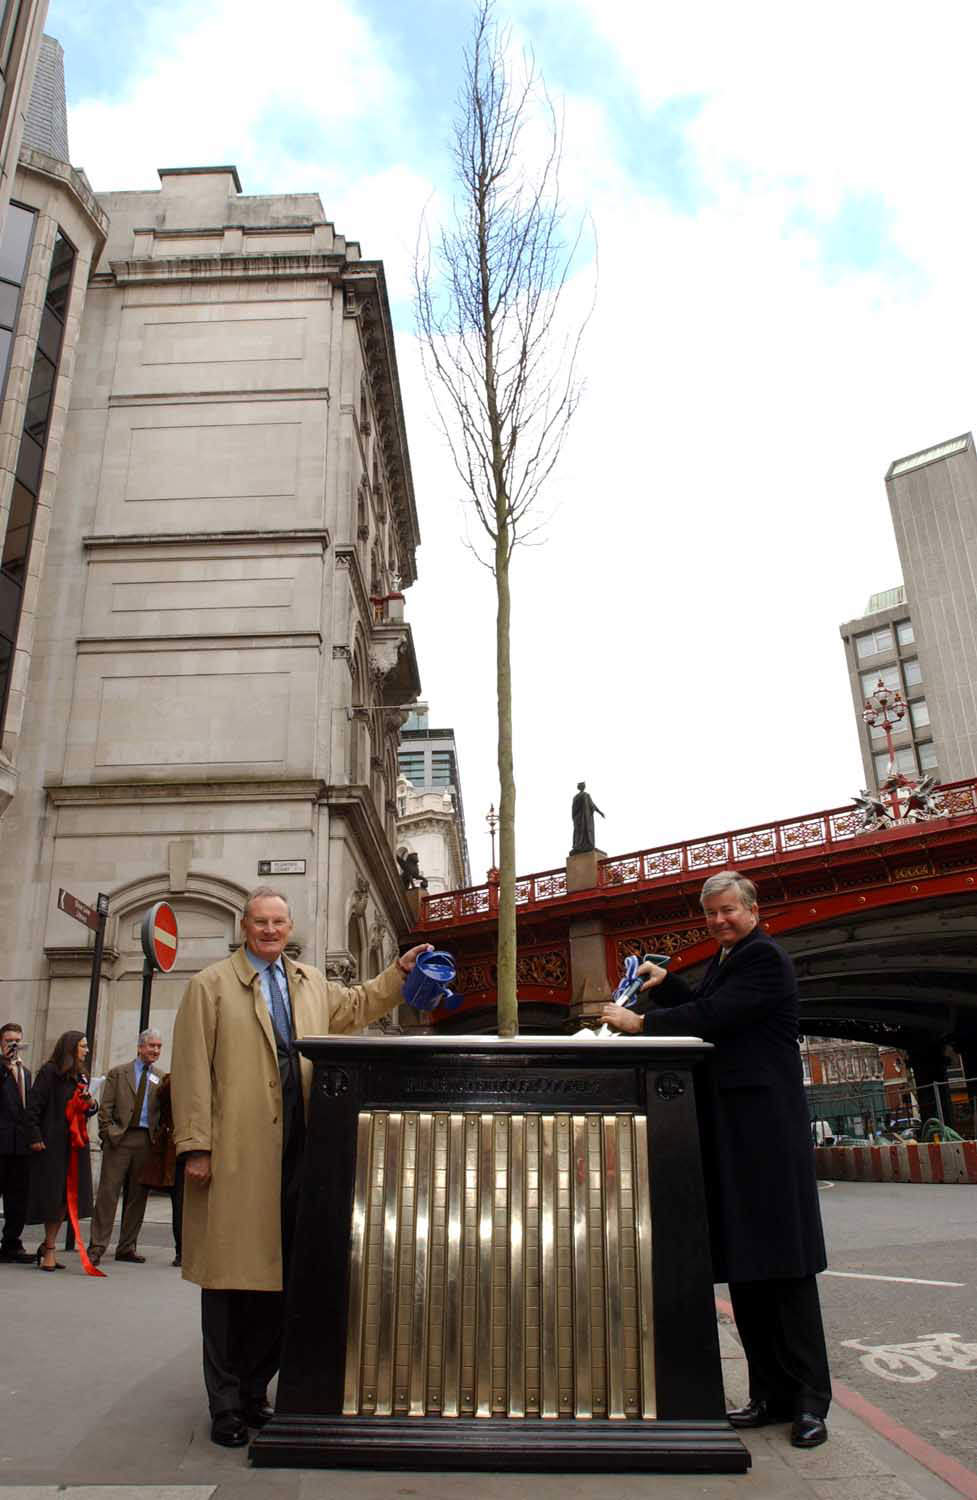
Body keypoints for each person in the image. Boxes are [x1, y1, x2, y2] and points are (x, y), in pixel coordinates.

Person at [171, 885, 433, 1448]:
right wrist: (196, 1145)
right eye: (260, 922)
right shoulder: (209, 986)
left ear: (290, 928)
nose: (270, 930)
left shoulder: (310, 984)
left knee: (279, 1280)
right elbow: (191, 1069)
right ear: (245, 927)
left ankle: (253, 1393)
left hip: (300, 1152)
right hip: (237, 1155)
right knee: (226, 1284)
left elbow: (360, 1004)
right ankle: (223, 1404)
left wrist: (399, 970)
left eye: (279, 922)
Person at [602, 870, 831, 1449]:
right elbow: (707, 1002)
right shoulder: (730, 962)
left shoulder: (765, 959)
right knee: (749, 1267)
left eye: (729, 911)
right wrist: (668, 982)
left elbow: (715, 1019)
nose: (720, 921)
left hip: (767, 1134)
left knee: (786, 1270)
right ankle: (770, 1394)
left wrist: (642, 1022)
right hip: (735, 1133)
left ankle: (809, 1401)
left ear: (753, 908)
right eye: (711, 914)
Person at [87, 1028, 162, 1266]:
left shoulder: (160, 1077)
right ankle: (97, 1246)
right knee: (108, 1194)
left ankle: (127, 1246)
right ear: (140, 1047)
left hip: (145, 1141)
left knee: (138, 1196)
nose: (156, 1050)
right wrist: (107, 1134)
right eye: (152, 1046)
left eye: (159, 1047)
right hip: (120, 1139)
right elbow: (105, 1108)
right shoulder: (119, 1073)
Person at [24, 1031, 98, 1270]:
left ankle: (48, 1246)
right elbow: (34, 1107)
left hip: (75, 1144)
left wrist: (90, 1103)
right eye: (83, 1046)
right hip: (52, 1143)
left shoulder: (82, 1076)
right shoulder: (49, 1073)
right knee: (53, 1196)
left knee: (67, 1199)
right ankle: (50, 1248)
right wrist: (35, 1136)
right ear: (70, 1048)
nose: (86, 1050)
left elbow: (85, 1110)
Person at [141, 1071, 184, 1267]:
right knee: (180, 1202)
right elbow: (161, 1097)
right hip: (176, 1150)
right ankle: (181, 1251)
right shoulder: (171, 1080)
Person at [0, 1022, 34, 1263]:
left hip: (20, 1145)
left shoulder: (26, 1072)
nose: (13, 1045)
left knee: (17, 1198)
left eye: (17, 1041)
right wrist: (4, 1065)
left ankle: (11, 1242)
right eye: (9, 1040)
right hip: (1, 1141)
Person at [570, 781, 604, 853]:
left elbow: (574, 809)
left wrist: (600, 812)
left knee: (579, 832)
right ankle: (584, 845)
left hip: (578, 818)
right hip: (585, 818)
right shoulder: (585, 795)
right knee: (585, 831)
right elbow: (592, 805)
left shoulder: (576, 797)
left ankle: (579, 845)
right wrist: (600, 812)